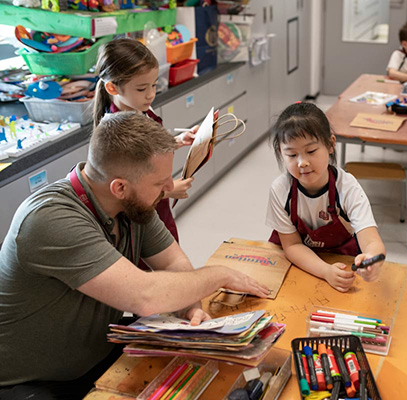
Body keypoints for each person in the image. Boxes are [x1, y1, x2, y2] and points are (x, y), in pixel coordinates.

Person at [0, 112, 270, 398]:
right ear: (119, 187)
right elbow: (146, 297)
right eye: (160, 183)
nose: (169, 188)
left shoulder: (131, 205)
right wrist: (219, 275)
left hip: (98, 349)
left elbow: (173, 262)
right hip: (33, 382)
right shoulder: (50, 220)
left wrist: (189, 306)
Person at [266, 102, 386, 292]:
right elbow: (292, 246)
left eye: (311, 151)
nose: (302, 162)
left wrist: (372, 259)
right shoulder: (280, 190)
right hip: (298, 264)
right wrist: (324, 271)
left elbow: (371, 240)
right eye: (291, 154)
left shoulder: (347, 187)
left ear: (330, 144)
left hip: (340, 261)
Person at [94, 38, 196, 245]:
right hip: (138, 215)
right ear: (113, 88)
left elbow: (145, 152)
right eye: (141, 89)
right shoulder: (115, 133)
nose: (151, 94)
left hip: (157, 205)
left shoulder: (141, 109)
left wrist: (176, 141)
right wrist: (166, 190)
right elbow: (122, 192)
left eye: (154, 85)